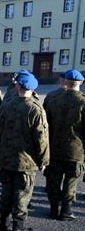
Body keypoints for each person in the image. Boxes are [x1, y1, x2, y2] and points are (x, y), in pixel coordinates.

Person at [0, 72, 49, 231]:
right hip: (26, 160)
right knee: (22, 193)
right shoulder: (35, 109)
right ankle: (18, 226)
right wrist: (43, 160)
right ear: (33, 89)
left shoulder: (6, 105)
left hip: (7, 157)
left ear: (17, 86)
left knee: (6, 190)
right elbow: (42, 138)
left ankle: (3, 222)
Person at [44, 69, 85, 220]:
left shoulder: (53, 100)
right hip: (75, 150)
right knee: (71, 181)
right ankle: (66, 211)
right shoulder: (83, 101)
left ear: (65, 82)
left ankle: (53, 210)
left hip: (54, 148)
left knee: (54, 180)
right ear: (81, 82)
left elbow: (46, 126)